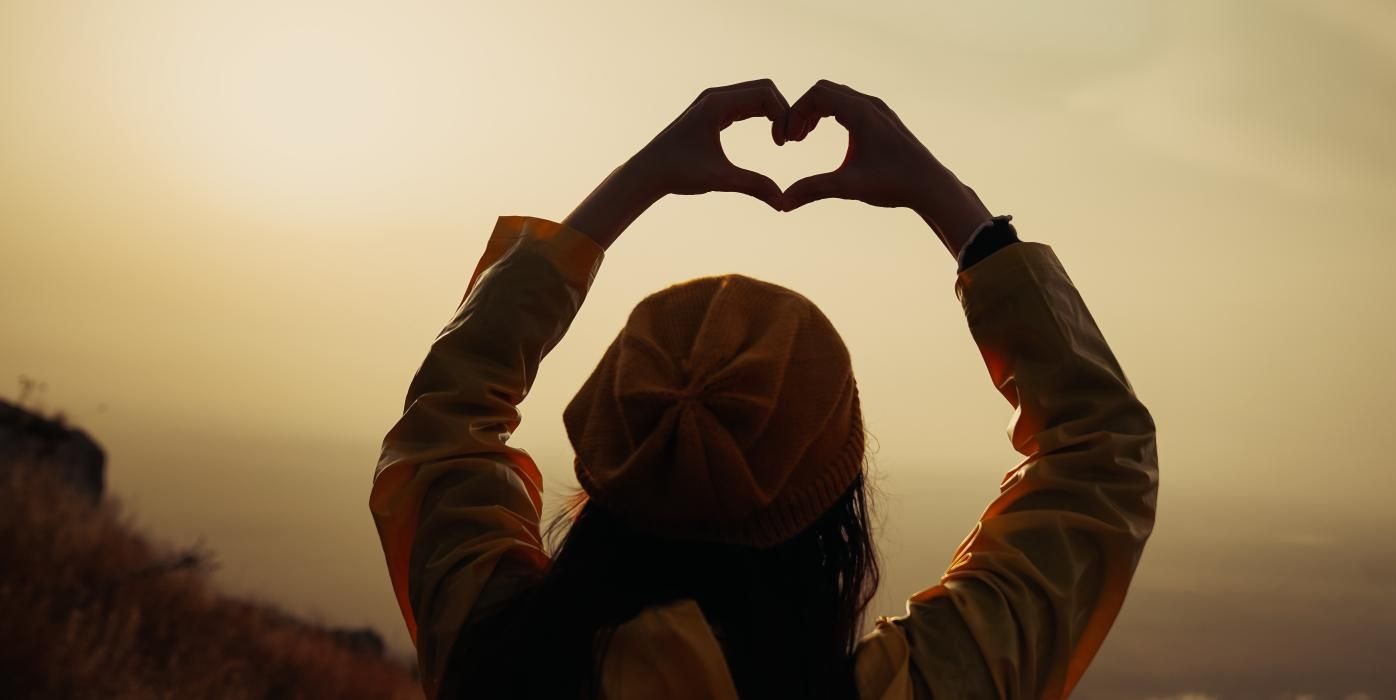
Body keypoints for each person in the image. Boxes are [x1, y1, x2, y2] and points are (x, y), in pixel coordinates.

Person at [370, 78, 1158, 699]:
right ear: (835, 506)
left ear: (610, 454)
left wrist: (636, 182)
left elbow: (445, 426)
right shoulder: (922, 685)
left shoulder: (491, 645)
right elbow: (1100, 460)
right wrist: (949, 204)